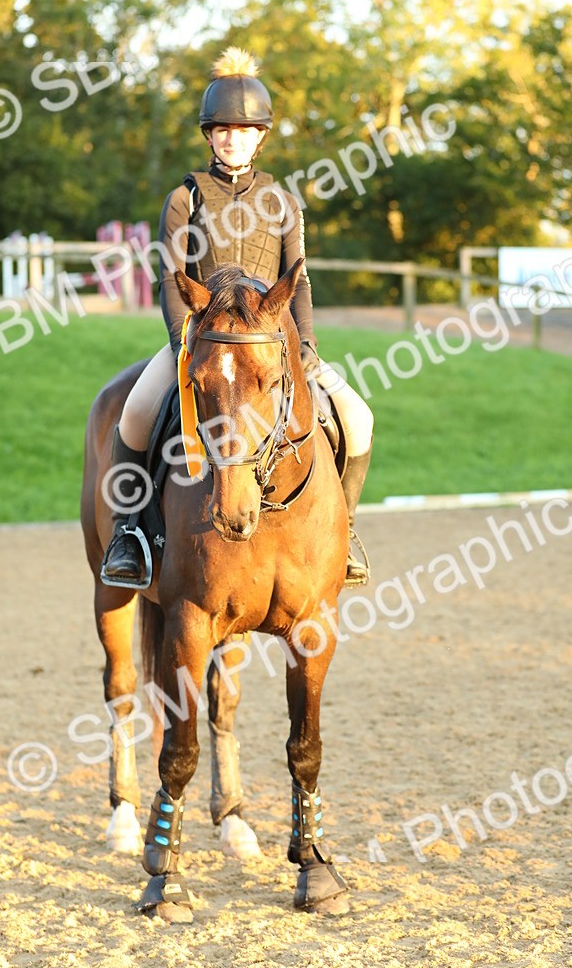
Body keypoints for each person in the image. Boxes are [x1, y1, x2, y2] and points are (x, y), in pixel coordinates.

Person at [101, 47, 373, 588]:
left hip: (270, 344)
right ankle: (128, 535)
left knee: (358, 419)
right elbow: (171, 278)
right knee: (133, 414)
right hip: (201, 341)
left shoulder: (284, 202)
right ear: (209, 135)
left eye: (245, 131)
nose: (234, 139)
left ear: (260, 137)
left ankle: (343, 533)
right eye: (224, 130)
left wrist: (307, 346)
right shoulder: (184, 199)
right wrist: (186, 341)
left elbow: (298, 280)